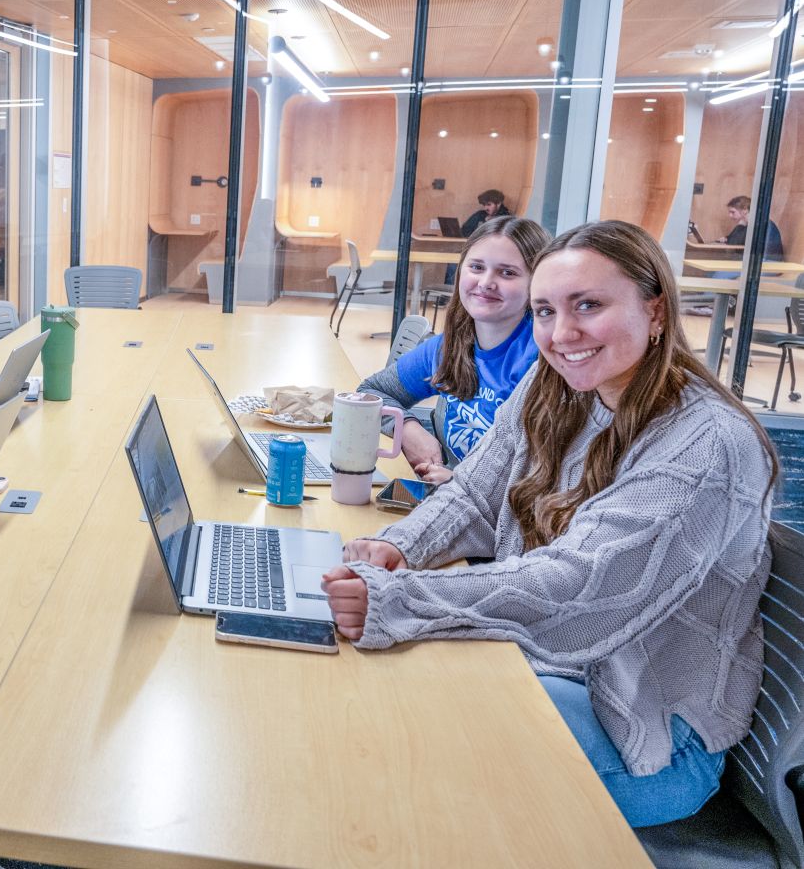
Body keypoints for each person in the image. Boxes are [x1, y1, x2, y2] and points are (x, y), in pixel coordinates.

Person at [323, 220, 777, 828]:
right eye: (544, 311)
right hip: (552, 664)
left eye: (588, 305)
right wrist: (395, 546)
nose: (562, 334)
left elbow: (581, 587)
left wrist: (400, 598)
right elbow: (477, 496)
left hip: (645, 735)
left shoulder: (706, 444)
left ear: (657, 309)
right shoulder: (558, 382)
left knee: (402, 751)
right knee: (380, 703)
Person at [359, 216, 550, 483]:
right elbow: (370, 393)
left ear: (537, 283)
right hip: (450, 503)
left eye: (507, 272)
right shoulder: (451, 345)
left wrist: (458, 483)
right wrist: (408, 429)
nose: (486, 282)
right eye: (477, 267)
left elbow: (544, 477)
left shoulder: (544, 359)